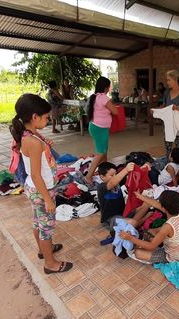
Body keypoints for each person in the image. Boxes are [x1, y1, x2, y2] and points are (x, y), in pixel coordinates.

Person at [10, 93, 72, 274]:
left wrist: (46, 142)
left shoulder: (27, 133)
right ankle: (50, 264)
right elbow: (37, 175)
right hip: (40, 190)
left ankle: (42, 250)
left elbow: (38, 144)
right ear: (34, 117)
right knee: (46, 229)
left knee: (38, 222)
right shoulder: (33, 141)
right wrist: (48, 199)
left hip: (32, 187)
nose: (48, 120)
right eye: (46, 118)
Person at [120, 191, 179, 263]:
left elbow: (151, 246)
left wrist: (130, 238)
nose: (158, 204)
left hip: (174, 257)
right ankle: (152, 242)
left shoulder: (167, 226)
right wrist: (140, 196)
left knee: (138, 253)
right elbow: (155, 204)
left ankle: (163, 257)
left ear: (163, 208)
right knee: (150, 232)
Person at [84, 76, 119, 185]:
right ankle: (88, 176)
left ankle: (104, 171)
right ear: (105, 87)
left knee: (104, 152)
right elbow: (115, 112)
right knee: (101, 153)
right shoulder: (103, 97)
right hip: (100, 128)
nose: (109, 89)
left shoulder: (94, 96)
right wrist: (115, 107)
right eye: (108, 87)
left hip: (95, 126)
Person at [156, 70, 179, 157]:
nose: (167, 82)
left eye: (169, 80)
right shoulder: (167, 92)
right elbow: (164, 105)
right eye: (167, 80)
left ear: (175, 80)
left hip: (178, 124)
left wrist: (177, 108)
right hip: (168, 124)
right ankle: (169, 165)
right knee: (168, 148)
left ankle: (178, 166)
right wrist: (156, 110)